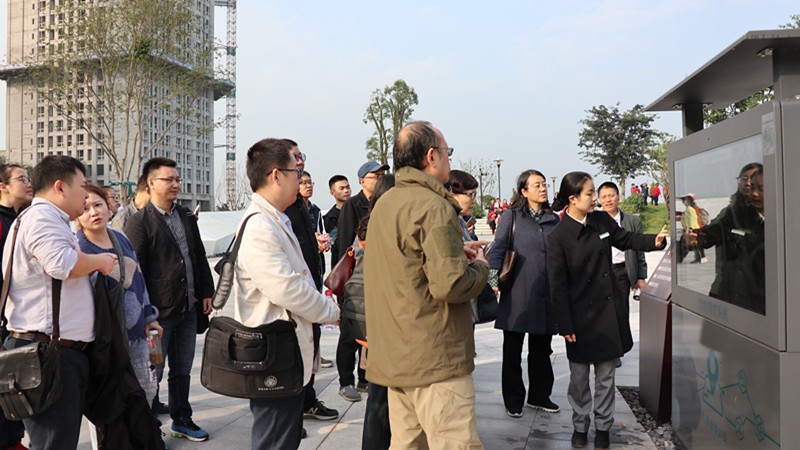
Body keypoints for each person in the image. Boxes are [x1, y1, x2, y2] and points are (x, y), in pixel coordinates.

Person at [364, 121, 489, 448]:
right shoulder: (434, 206)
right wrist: (481, 267)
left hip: (397, 356)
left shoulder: (385, 203)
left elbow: (406, 266)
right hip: (436, 359)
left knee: (406, 443)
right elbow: (451, 285)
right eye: (448, 152)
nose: (449, 159)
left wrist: (455, 252)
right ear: (431, 156)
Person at [2, 156, 118, 449]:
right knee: (54, 444)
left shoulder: (46, 219)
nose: (86, 195)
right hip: (49, 355)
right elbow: (62, 264)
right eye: (81, 186)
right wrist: (100, 261)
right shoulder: (42, 217)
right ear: (60, 187)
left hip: (55, 352)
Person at [546, 171, 667, 450]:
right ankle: (580, 426)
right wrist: (565, 324)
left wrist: (654, 241)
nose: (596, 199)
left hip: (606, 313)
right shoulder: (558, 237)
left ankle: (603, 427)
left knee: (606, 377)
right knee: (579, 380)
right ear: (573, 199)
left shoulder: (601, 221)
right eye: (590, 193)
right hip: (578, 318)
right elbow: (557, 285)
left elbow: (626, 239)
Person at [234, 138, 340, 450]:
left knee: (286, 436)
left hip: (285, 351)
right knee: (275, 439)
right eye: (296, 172)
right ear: (276, 175)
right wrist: (331, 311)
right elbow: (288, 288)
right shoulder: (260, 226)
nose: (301, 178)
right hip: (273, 355)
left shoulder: (276, 219)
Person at [125, 157, 214, 442]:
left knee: (182, 369)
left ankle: (182, 419)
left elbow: (198, 255)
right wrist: (145, 314)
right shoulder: (140, 222)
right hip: (158, 317)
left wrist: (206, 291)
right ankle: (149, 428)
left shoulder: (185, 216)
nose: (176, 184)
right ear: (151, 183)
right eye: (169, 179)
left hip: (187, 308)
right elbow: (134, 273)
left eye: (177, 179)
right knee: (154, 372)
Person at [488, 170, 560, 418]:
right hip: (517, 292)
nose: (543, 188)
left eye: (544, 184)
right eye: (536, 185)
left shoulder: (553, 219)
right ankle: (513, 399)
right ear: (524, 191)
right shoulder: (511, 216)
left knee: (542, 350)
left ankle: (540, 395)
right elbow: (498, 247)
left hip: (545, 293)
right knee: (513, 350)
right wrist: (493, 279)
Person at [280, 140, 339, 422]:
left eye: (301, 156)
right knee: (294, 350)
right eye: (294, 157)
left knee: (310, 345)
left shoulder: (305, 207)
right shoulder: (277, 209)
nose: (300, 161)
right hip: (293, 292)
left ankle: (306, 400)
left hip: (310, 282)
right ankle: (292, 408)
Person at [348, 173, 395, 450]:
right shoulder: (386, 228)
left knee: (378, 396)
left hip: (371, 321)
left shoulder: (368, 226)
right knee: (382, 398)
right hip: (386, 322)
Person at [334, 161, 387, 402]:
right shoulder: (352, 205)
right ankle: (346, 381)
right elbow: (345, 247)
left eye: (382, 175)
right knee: (349, 333)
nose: (379, 179)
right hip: (355, 280)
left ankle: (364, 377)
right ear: (362, 180)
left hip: (375, 280)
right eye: (375, 175)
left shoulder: (382, 202)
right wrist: (345, 286)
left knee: (369, 332)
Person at [691, 163, 765, 314]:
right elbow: (712, 232)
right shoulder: (732, 213)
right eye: (744, 178)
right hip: (730, 289)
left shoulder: (780, 215)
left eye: (755, 181)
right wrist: (695, 237)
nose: (748, 184)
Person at [598, 181, 648, 368]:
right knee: (602, 312)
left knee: (620, 311)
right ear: (599, 200)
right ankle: (604, 349)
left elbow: (639, 250)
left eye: (611, 195)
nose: (608, 200)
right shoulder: (595, 222)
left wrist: (641, 276)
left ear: (618, 197)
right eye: (604, 197)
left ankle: (617, 350)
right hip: (600, 272)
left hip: (621, 271)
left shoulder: (632, 221)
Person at [0, 164, 32, 450]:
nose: (28, 183)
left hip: (20, 317)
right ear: (3, 186)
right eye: (21, 179)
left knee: (14, 381)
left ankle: (13, 439)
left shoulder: (26, 218)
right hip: (4, 316)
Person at [299, 171, 325, 274]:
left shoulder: (316, 210)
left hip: (317, 262)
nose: (308, 186)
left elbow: (319, 231)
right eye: (303, 183)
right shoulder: (293, 211)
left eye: (310, 182)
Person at [322, 175, 351, 266]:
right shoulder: (330, 217)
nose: (346, 191)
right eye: (341, 188)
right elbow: (336, 242)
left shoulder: (356, 208)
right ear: (332, 192)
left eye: (347, 187)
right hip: (341, 262)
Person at [678, 193, 706, 264]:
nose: (683, 202)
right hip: (695, 228)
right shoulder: (691, 209)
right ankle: (699, 257)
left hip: (692, 228)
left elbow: (690, 220)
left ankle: (680, 259)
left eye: (684, 200)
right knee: (694, 244)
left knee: (686, 244)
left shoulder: (689, 209)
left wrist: (688, 230)